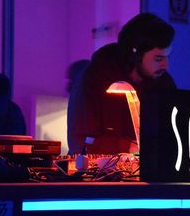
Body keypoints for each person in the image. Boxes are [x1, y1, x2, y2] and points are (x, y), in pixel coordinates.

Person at [67, 13, 176, 154]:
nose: (166, 65)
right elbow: (80, 141)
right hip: (99, 173)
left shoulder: (164, 84)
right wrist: (129, 147)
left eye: (167, 57)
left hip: (146, 173)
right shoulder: (95, 77)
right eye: (158, 58)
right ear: (135, 54)